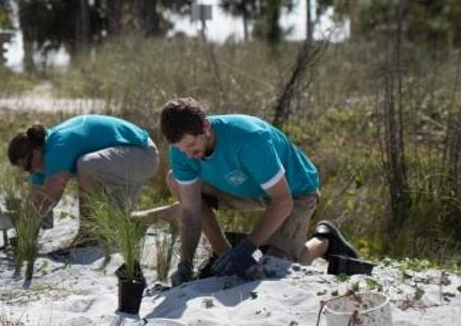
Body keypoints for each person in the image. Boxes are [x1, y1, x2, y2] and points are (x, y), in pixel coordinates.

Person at [131, 97, 359, 286]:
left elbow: (282, 201)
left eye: (192, 147)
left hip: (294, 192)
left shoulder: (249, 139)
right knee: (176, 180)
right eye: (182, 149)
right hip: (242, 188)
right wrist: (185, 263)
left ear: (206, 127)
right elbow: (191, 213)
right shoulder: (182, 151)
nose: (188, 155)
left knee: (275, 270)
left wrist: (247, 247)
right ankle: (222, 254)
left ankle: (325, 241)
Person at [6, 115, 159, 246]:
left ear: (35, 152)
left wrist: (28, 231)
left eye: (27, 167)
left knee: (86, 165)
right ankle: (142, 221)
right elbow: (34, 199)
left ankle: (87, 235)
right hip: (123, 159)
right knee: (114, 225)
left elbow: (50, 197)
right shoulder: (39, 162)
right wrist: (23, 234)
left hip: (143, 155)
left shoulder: (57, 147)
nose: (29, 172)